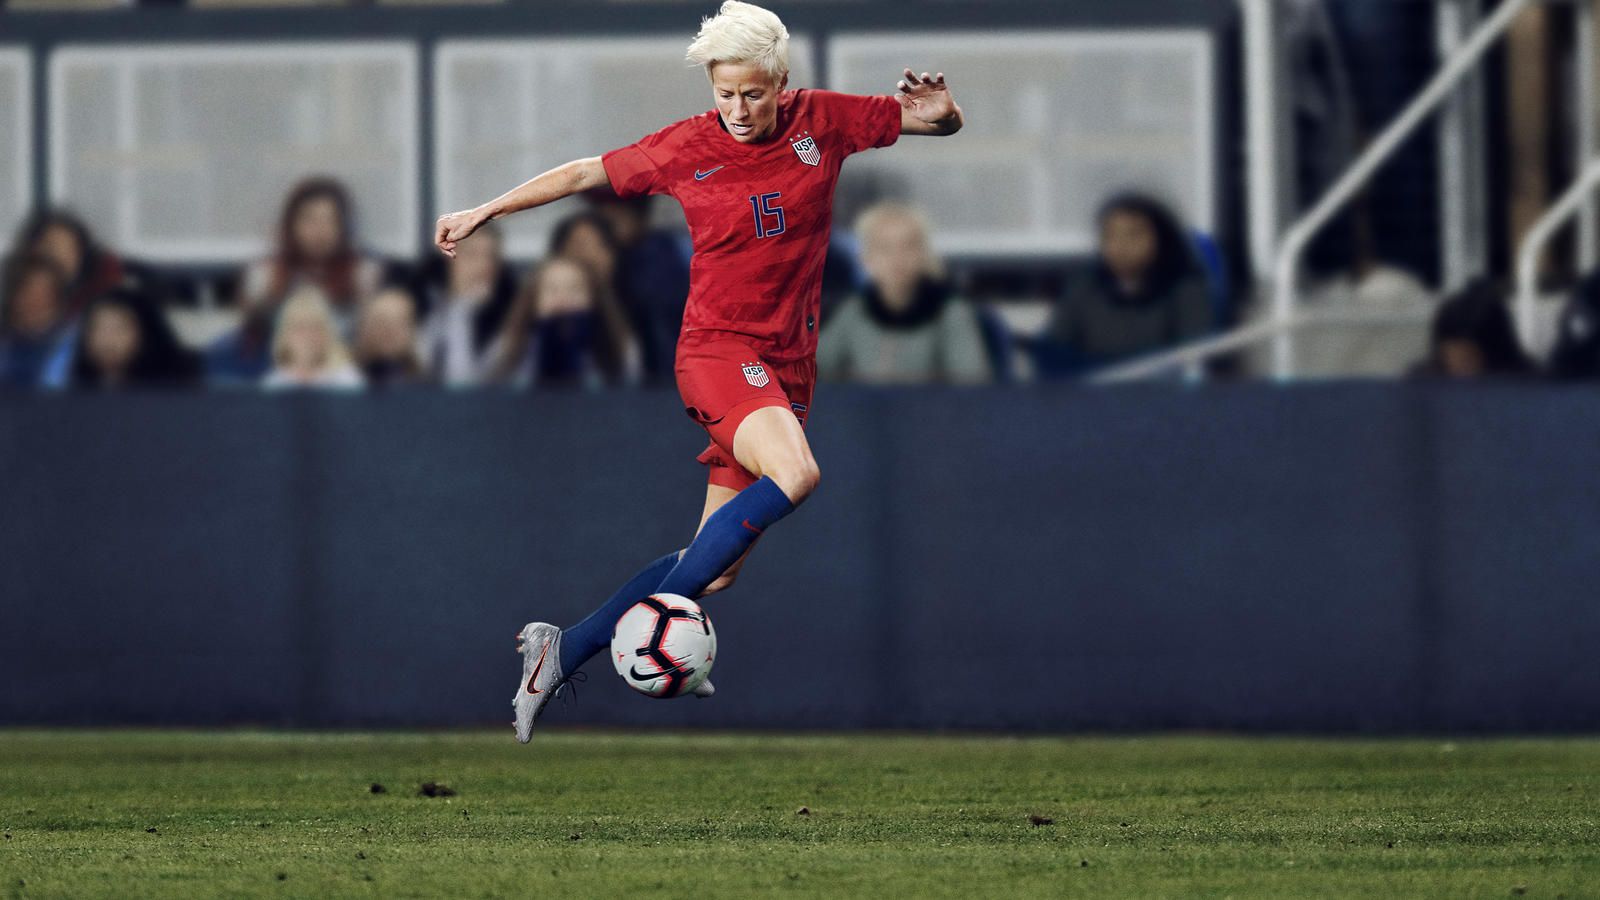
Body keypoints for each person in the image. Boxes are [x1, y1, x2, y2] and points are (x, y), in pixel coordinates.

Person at [434, 0, 964, 742]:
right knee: (798, 475)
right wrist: (486, 210)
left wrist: (944, 115)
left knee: (714, 575)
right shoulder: (685, 147)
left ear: (781, 83)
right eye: (724, 94)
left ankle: (563, 649)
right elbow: (586, 170)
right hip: (718, 351)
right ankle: (639, 632)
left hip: (786, 367)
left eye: (753, 93)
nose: (739, 110)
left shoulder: (826, 121)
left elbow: (932, 122)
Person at [817, 203, 991, 384]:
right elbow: (816, 368)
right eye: (885, 248)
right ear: (866, 259)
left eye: (908, 247)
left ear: (924, 254)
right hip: (863, 410)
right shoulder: (854, 310)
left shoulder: (951, 314)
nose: (897, 258)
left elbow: (971, 388)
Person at [1041, 193, 1212, 372]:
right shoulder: (1084, 287)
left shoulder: (1186, 290)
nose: (1120, 246)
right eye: (1110, 235)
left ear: (1162, 239)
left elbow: (1192, 361)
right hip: (1091, 393)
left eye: (1134, 235)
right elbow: (1055, 351)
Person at [583, 191, 692, 381]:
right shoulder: (621, 260)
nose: (603, 230)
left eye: (609, 222)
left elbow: (661, 333)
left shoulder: (655, 258)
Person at [487, 256, 638, 389]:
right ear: (533, 301)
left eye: (575, 289)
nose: (563, 299)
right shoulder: (509, 343)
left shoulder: (620, 346)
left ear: (593, 298)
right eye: (552, 289)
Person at [415, 223, 517, 387]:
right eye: (472, 255)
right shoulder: (422, 306)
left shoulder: (509, 318)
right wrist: (459, 308)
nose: (484, 266)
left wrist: (463, 311)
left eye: (491, 257)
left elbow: (465, 388)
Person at [68, 288, 201, 390]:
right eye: (97, 329)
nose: (107, 340)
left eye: (119, 329)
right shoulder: (72, 388)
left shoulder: (177, 387)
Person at [1410, 282, 1534, 379]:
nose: (1458, 367)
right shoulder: (1424, 384)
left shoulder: (1524, 386)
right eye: (1449, 356)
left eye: (1468, 358)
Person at [262, 286, 364, 391]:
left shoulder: (346, 380)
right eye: (299, 328)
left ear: (328, 334)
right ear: (284, 336)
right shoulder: (274, 384)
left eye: (314, 328)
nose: (307, 336)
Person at [0, 254, 73, 389]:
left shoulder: (69, 344)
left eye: (44, 293)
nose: (35, 300)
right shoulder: (5, 340)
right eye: (28, 291)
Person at [353, 287, 428, 389]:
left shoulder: (429, 385)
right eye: (382, 322)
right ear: (366, 328)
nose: (390, 331)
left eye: (398, 323)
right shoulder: (349, 381)